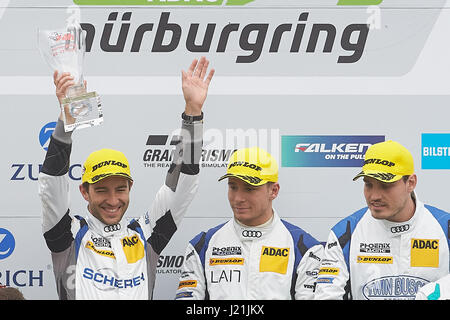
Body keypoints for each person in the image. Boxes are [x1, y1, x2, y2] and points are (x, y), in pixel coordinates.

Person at [38, 57, 215, 300]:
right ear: (84, 191)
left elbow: (184, 185)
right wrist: (66, 117)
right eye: (101, 190)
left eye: (120, 189)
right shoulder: (68, 236)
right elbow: (51, 184)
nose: (113, 200)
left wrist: (193, 114)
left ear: (130, 187)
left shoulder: (145, 235)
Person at [175, 147, 324, 300]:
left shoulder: (305, 248)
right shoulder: (202, 245)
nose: (238, 198)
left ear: (273, 190)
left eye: (249, 188)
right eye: (233, 187)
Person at [314, 140, 450, 300]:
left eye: (385, 185)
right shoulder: (345, 232)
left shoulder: (444, 227)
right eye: (369, 185)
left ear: (411, 183)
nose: (374, 196)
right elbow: (327, 295)